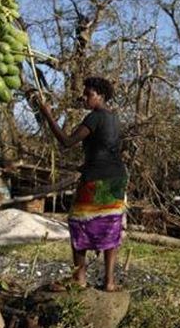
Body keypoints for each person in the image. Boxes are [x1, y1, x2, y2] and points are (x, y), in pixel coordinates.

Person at [33, 77, 127, 292]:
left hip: (97, 179)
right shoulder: (114, 117)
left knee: (79, 222)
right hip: (116, 177)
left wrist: (47, 114)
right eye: (84, 94)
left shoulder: (94, 118)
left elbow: (67, 142)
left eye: (89, 94)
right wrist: (87, 166)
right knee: (110, 224)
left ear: (101, 96)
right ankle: (109, 282)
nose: (84, 98)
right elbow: (107, 148)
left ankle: (79, 279)